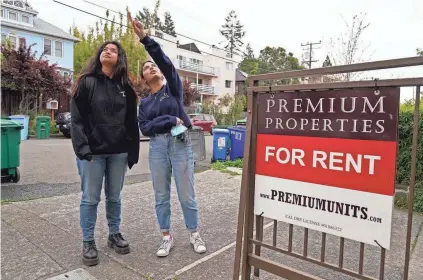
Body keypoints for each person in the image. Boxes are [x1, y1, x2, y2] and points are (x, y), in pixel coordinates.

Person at [128, 11, 207, 257]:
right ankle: (166, 236)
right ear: (143, 77)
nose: (150, 67)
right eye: (146, 68)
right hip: (157, 148)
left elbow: (164, 61)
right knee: (161, 195)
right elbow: (145, 128)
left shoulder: (172, 89)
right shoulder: (146, 103)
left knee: (186, 193)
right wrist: (168, 119)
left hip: (180, 144)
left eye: (153, 66)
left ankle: (194, 233)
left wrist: (145, 39)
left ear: (160, 72)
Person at [70, 40, 140, 266]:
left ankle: (114, 234)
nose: (108, 52)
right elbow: (77, 119)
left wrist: (132, 152)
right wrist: (82, 150)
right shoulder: (86, 82)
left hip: (118, 153)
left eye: (114, 50)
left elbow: (131, 121)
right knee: (90, 199)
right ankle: (88, 241)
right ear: (99, 55)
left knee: (114, 197)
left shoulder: (125, 88)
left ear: (119, 58)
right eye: (105, 49)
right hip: (93, 154)